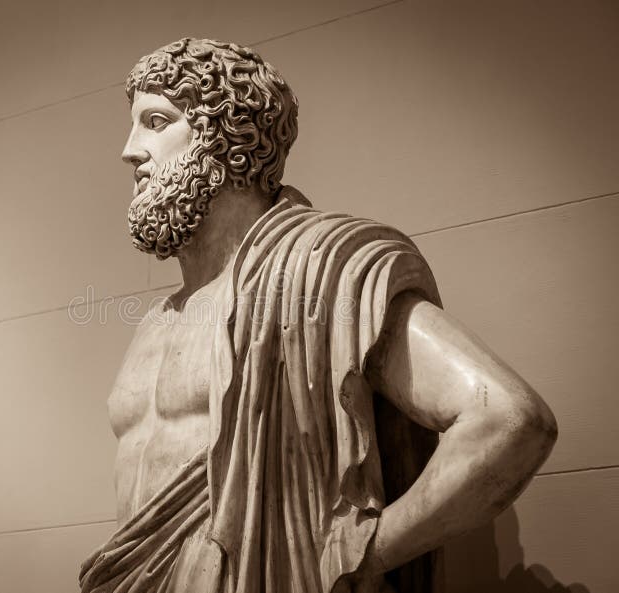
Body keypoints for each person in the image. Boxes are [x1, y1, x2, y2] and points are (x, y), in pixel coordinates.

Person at [78, 38, 557, 593]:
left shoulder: (325, 274)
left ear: (226, 137)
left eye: (156, 121)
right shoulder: (154, 323)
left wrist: (359, 555)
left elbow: (510, 420)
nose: (129, 150)